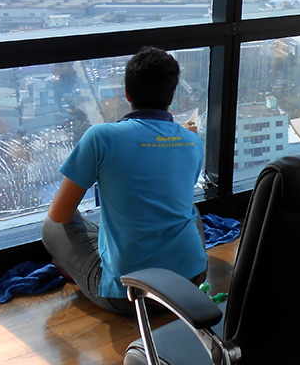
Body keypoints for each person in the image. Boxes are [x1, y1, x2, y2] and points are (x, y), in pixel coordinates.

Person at [41, 46, 206, 314]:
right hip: (191, 281)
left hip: (130, 296)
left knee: (52, 225)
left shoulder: (101, 137)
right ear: (172, 95)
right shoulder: (192, 140)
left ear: (128, 93)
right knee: (189, 208)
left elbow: (59, 214)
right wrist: (184, 134)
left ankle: (84, 271)